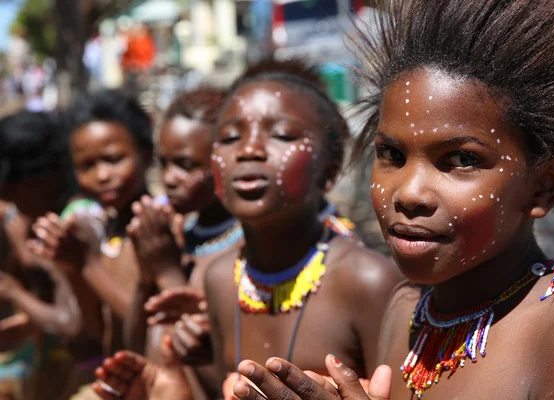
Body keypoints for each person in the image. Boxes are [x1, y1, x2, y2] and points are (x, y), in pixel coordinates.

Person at [212, 0, 554, 399]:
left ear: (544, 185)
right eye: (392, 155)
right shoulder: (405, 310)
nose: (409, 193)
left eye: (462, 160)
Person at [92, 58, 403, 400]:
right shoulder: (221, 279)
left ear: (327, 174)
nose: (249, 150)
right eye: (230, 137)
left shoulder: (368, 280)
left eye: (282, 135)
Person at [30, 90, 154, 398]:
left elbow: (150, 324)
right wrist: (71, 266)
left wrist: (88, 263)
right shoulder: (106, 228)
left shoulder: (159, 227)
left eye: (114, 159)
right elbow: (98, 330)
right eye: (87, 166)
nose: (102, 175)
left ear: (146, 153)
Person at [124, 87, 242, 365]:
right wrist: (146, 275)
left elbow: (210, 360)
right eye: (163, 163)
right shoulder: (179, 237)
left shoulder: (245, 246)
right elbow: (132, 348)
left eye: (186, 165)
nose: (169, 178)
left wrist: (167, 271)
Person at [0, 111, 81, 400]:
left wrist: (14, 292)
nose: (9, 200)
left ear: (39, 180)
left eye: (11, 190)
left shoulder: (69, 225)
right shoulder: (25, 218)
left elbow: (70, 323)